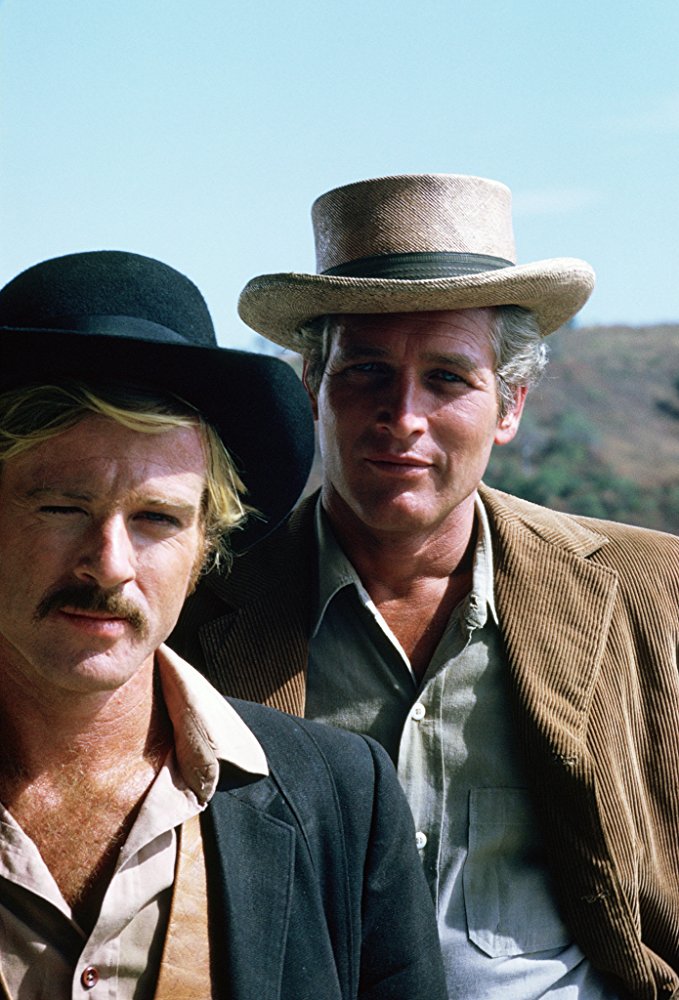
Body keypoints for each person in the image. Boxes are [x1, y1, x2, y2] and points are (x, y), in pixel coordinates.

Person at [172, 173, 679, 999]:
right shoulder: (194, 606)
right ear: (312, 386)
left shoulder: (650, 590)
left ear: (508, 406)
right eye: (366, 371)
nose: (402, 414)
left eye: (446, 378)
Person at [0, 250, 448, 1000]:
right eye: (61, 506)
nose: (109, 565)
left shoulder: (342, 798)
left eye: (156, 518)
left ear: (205, 545)